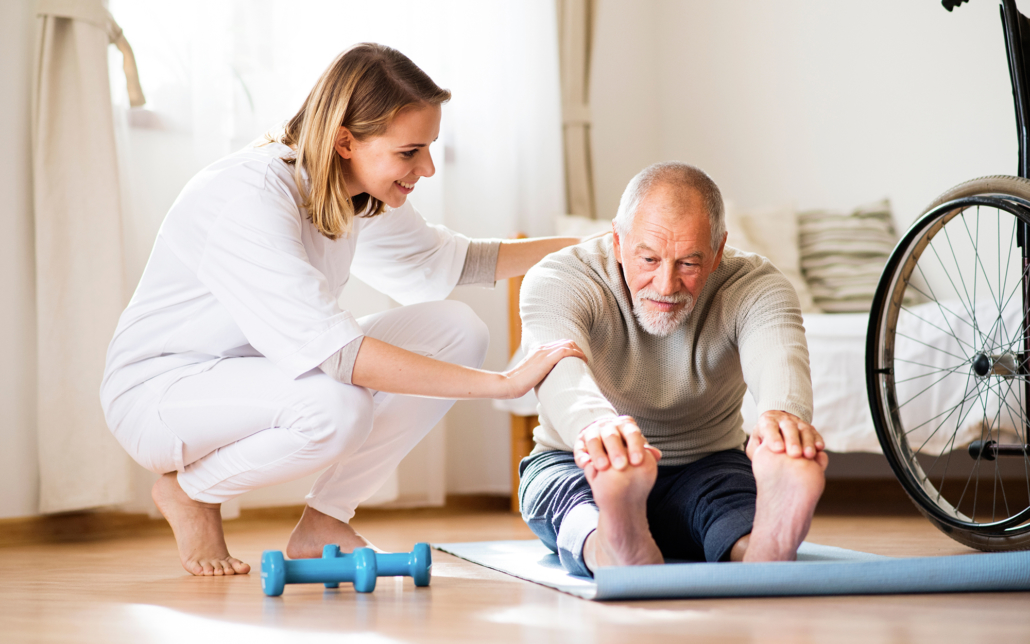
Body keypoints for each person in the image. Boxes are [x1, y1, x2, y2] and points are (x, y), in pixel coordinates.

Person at [100, 43, 586, 576]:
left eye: (428, 148)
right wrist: (503, 383)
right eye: (409, 152)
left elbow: (452, 260)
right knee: (337, 409)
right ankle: (191, 493)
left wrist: (598, 247)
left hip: (255, 373)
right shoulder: (249, 195)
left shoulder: (349, 187)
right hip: (163, 390)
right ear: (344, 140)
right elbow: (336, 354)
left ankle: (324, 520)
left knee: (455, 329)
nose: (425, 167)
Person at [517, 161, 828, 576]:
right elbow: (561, 374)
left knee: (728, 502)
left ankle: (763, 549)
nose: (665, 285)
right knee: (571, 504)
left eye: (688, 264)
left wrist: (781, 423)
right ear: (617, 240)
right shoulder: (559, 278)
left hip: (707, 465)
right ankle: (609, 543)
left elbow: (778, 356)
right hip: (580, 461)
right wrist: (599, 433)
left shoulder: (756, 285)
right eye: (648, 258)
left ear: (718, 250)